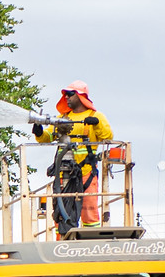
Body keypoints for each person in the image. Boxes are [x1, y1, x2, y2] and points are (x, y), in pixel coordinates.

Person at [33, 81, 113, 230]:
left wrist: (96, 124)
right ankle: (61, 244)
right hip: (65, 172)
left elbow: (107, 136)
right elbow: (48, 136)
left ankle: (91, 243)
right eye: (65, 95)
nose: (67, 98)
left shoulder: (96, 116)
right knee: (61, 212)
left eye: (70, 95)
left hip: (86, 172)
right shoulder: (62, 118)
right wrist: (39, 132)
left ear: (80, 96)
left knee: (89, 210)